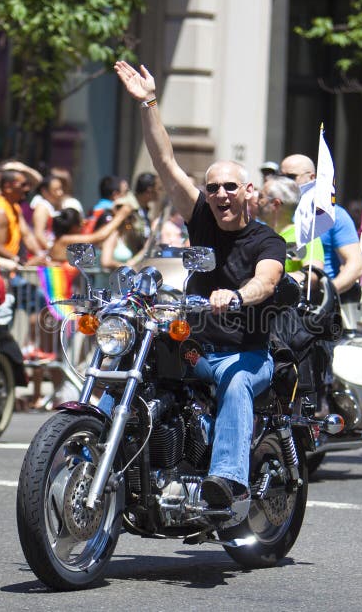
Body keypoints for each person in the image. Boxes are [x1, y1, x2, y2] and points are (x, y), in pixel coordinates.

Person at [115, 60, 285, 510]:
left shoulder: (268, 240)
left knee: (235, 382)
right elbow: (165, 162)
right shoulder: (201, 217)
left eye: (231, 187)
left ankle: (226, 481)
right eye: (214, 188)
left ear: (249, 191)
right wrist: (149, 103)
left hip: (247, 353)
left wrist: (237, 294)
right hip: (196, 349)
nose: (221, 195)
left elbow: (266, 282)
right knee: (145, 365)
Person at [280, 153, 362, 295]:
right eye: (279, 177)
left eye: (290, 177)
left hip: (315, 305)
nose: (283, 183)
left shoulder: (334, 215)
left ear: (311, 178)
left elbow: (355, 266)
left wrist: (327, 294)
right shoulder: (272, 212)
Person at [256, 175, 326, 296]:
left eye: (261, 196)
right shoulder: (257, 233)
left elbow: (313, 276)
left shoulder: (304, 235)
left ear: (276, 204)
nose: (256, 201)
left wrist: (279, 280)